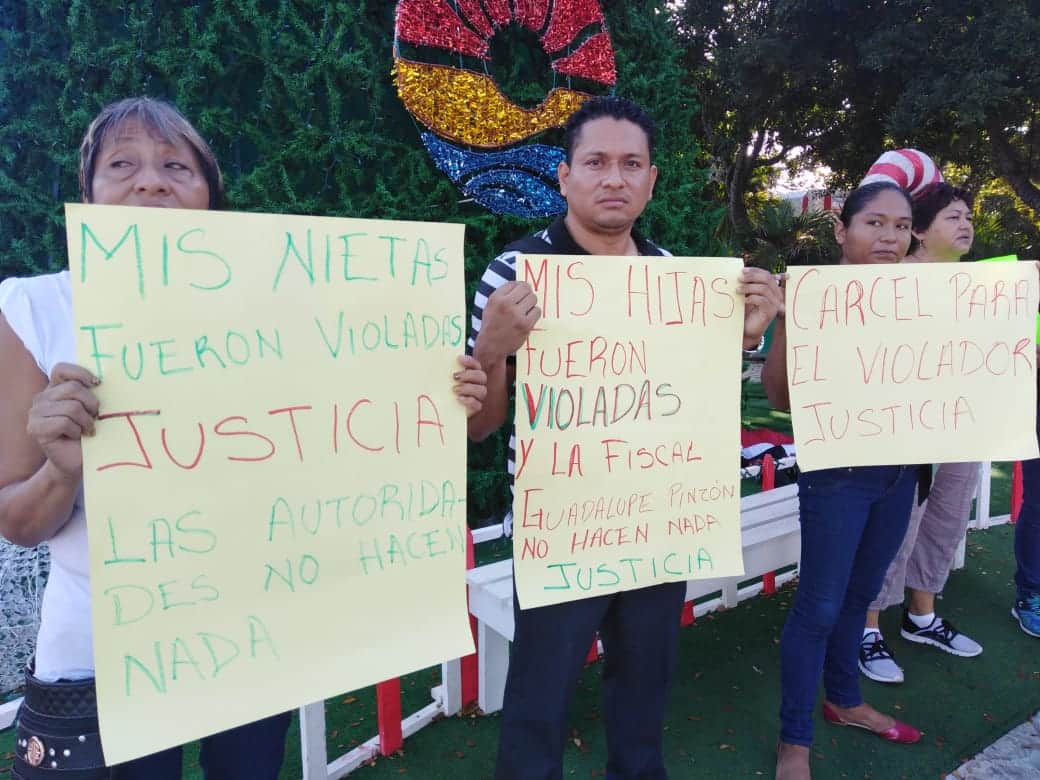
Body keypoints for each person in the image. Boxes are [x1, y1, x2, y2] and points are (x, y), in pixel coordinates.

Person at [0, 97, 488, 780]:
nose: (150, 181)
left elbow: (347, 441)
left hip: (252, 635)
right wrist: (62, 469)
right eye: (122, 164)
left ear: (209, 198)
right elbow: (19, 522)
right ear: (88, 192)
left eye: (176, 164)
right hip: (102, 656)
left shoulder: (280, 314)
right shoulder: (35, 309)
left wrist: (442, 400)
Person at [467, 96, 782, 780]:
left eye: (630, 163)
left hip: (658, 521)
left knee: (644, 691)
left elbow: (687, 402)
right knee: (537, 702)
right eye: (596, 162)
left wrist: (747, 336)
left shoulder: (676, 277)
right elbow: (480, 425)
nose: (614, 178)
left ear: (651, 180)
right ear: (564, 176)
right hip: (561, 529)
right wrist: (491, 352)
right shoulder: (512, 273)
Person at [762, 182, 924, 780]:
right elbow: (777, 396)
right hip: (838, 477)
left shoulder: (924, 298)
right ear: (842, 231)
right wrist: (787, 322)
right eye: (875, 223)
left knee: (862, 596)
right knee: (820, 606)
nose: (889, 237)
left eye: (902, 226)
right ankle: (794, 741)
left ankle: (845, 700)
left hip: (900, 471)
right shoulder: (812, 296)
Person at [858, 181, 984, 684]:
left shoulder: (982, 286)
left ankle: (921, 615)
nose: (966, 224)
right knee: (897, 526)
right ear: (921, 233)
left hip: (965, 421)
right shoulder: (892, 282)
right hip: (905, 430)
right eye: (953, 216)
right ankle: (867, 625)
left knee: (948, 516)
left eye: (969, 216)